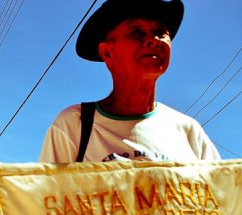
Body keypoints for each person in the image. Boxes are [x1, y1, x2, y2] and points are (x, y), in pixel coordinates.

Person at [39, 0, 221, 164]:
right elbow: (48, 198)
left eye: (160, 33)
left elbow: (223, 196)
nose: (154, 40)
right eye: (137, 33)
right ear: (107, 53)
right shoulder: (74, 124)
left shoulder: (188, 130)